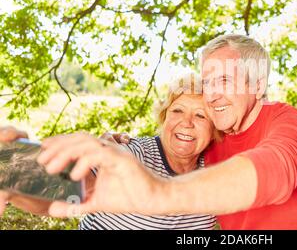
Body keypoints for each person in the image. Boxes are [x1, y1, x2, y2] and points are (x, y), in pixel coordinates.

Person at [3, 34, 297, 229]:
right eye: (207, 83)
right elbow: (84, 184)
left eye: (224, 81)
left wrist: (159, 194)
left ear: (258, 85)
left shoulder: (283, 120)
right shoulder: (140, 153)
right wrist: (11, 170)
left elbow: (277, 169)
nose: (213, 95)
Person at [0, 74, 219, 230]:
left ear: (214, 128)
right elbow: (73, 187)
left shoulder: (214, 174)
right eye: (177, 110)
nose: (186, 123)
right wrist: (13, 173)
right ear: (164, 117)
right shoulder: (133, 155)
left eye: (200, 116)